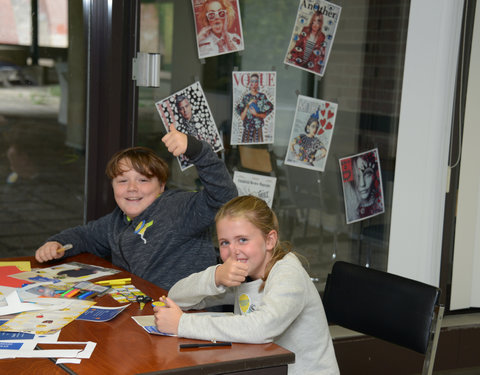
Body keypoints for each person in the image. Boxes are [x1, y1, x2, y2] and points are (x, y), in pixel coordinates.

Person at [34, 126, 238, 290]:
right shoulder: (116, 222)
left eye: (143, 180)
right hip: (142, 312)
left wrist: (197, 150)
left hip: (190, 315)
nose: (132, 188)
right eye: (122, 181)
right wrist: (57, 243)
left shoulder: (178, 208)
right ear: (113, 186)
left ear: (161, 186)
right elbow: (84, 236)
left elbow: (223, 197)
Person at [153, 195, 339, 375]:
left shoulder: (288, 273)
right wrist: (216, 276)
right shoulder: (243, 271)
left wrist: (182, 324)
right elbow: (176, 297)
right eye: (225, 242)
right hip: (263, 367)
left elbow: (262, 328)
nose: (234, 251)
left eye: (242, 239)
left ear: (269, 240)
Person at [235, 73, 274, 143]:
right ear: (249, 83)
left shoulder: (262, 97)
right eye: (252, 81)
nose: (254, 83)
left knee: (259, 150)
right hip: (247, 130)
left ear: (258, 83)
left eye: (256, 81)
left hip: (258, 129)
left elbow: (267, 112)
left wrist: (257, 114)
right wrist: (248, 105)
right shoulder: (246, 97)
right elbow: (242, 117)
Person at [350, 152, 384, 220]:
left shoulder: (380, 206)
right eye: (357, 176)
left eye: (367, 174)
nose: (362, 184)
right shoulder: (350, 208)